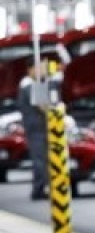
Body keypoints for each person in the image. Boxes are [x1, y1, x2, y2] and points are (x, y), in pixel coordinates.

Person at [16, 59, 49, 200]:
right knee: (39, 159)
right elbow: (42, 106)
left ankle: (39, 188)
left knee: (41, 158)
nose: (44, 70)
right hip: (36, 128)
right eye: (41, 68)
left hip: (37, 127)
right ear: (31, 69)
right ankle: (39, 188)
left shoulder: (31, 84)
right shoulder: (29, 85)